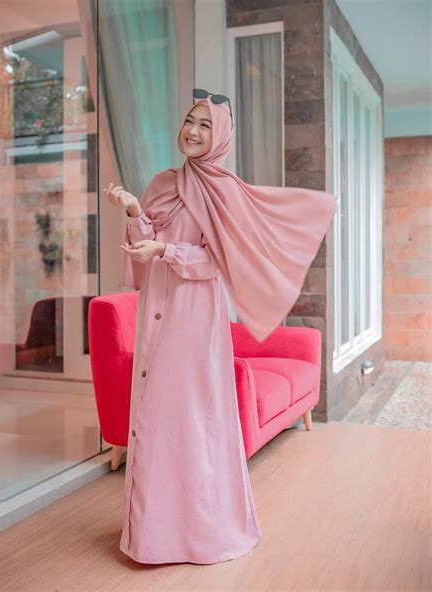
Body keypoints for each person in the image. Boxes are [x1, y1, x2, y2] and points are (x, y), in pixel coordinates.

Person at [103, 91, 337, 565]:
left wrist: (165, 251)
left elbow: (215, 260)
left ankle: (200, 530)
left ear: (221, 136)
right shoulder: (162, 182)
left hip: (193, 316)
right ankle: (153, 533)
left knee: (191, 418)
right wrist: (132, 212)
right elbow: (145, 242)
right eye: (189, 121)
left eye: (205, 125)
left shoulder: (225, 192)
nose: (192, 131)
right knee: (153, 417)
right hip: (156, 310)